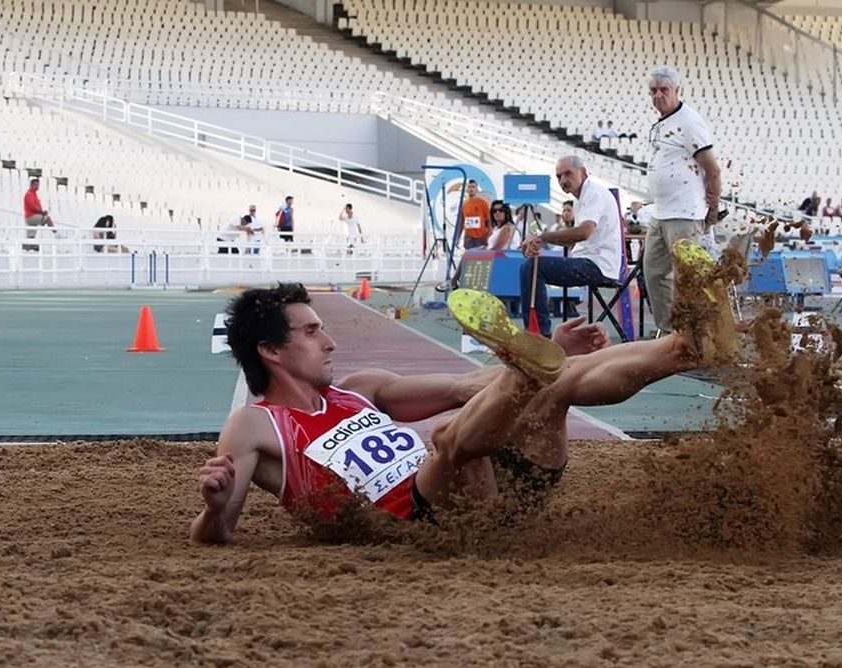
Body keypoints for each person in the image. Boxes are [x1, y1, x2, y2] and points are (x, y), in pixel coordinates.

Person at [190, 263, 730, 543]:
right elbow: (219, 534)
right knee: (449, 443)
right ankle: (523, 371)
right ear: (270, 350)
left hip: (505, 494)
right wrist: (215, 510)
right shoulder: (256, 425)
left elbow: (466, 388)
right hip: (424, 521)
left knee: (553, 388)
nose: (329, 342)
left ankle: (686, 346)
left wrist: (554, 358)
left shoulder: (361, 388)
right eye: (310, 332)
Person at [643, 65, 722, 335]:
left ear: (677, 91)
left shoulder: (689, 121)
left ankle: (696, 335)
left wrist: (713, 207)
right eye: (653, 91)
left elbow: (712, 169)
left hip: (685, 213)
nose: (658, 96)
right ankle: (669, 332)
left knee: (687, 277)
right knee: (653, 273)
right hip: (661, 211)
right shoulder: (662, 123)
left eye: (664, 90)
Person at [519, 155, 623, 338]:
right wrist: (542, 241)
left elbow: (583, 233)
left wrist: (542, 236)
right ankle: (537, 332)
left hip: (598, 265)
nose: (563, 180)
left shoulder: (594, 193)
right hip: (589, 260)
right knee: (532, 265)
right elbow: (573, 240)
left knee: (531, 267)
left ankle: (539, 335)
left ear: (583, 172)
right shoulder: (581, 197)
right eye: (559, 177)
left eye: (568, 174)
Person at [437, 180, 491, 291]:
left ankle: (473, 283)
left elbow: (488, 221)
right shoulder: (464, 204)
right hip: (469, 237)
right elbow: (461, 222)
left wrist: (488, 236)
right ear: (467, 189)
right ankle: (465, 282)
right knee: (468, 258)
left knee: (478, 259)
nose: (471, 189)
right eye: (469, 187)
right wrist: (457, 238)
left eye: (473, 187)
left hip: (480, 236)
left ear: (476, 189)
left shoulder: (482, 203)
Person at [23, 178, 55, 252]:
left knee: (31, 237)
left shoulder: (33, 194)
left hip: (31, 217)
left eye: (38, 185)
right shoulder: (29, 194)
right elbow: (32, 206)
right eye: (36, 185)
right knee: (47, 218)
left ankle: (27, 247)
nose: (37, 187)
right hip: (31, 216)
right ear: (31, 185)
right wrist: (42, 212)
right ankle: (56, 233)